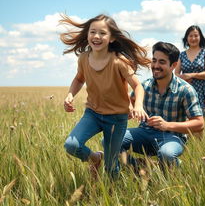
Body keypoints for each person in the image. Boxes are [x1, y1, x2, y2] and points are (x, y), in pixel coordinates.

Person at [60, 14, 151, 178]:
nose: (96, 36)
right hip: (93, 114)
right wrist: (70, 95)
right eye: (92, 32)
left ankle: (109, 194)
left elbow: (138, 86)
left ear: (112, 38)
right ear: (87, 35)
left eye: (102, 33)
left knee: (111, 167)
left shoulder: (119, 61)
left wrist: (138, 105)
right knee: (72, 145)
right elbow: (79, 79)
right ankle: (95, 158)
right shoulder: (83, 58)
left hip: (116, 118)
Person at [121, 42, 204, 170]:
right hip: (144, 132)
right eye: (154, 61)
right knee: (109, 140)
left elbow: (199, 124)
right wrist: (129, 110)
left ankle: (175, 167)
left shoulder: (186, 90)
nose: (155, 66)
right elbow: (130, 103)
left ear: (173, 65)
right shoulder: (144, 86)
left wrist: (167, 125)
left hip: (172, 136)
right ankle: (140, 167)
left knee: (166, 154)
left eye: (162, 62)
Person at [175, 25, 205, 116]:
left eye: (196, 35)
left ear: (200, 37)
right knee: (184, 118)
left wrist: (192, 75)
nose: (193, 38)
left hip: (201, 90)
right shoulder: (181, 55)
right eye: (190, 36)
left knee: (200, 120)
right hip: (185, 89)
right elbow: (176, 73)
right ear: (186, 38)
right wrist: (183, 78)